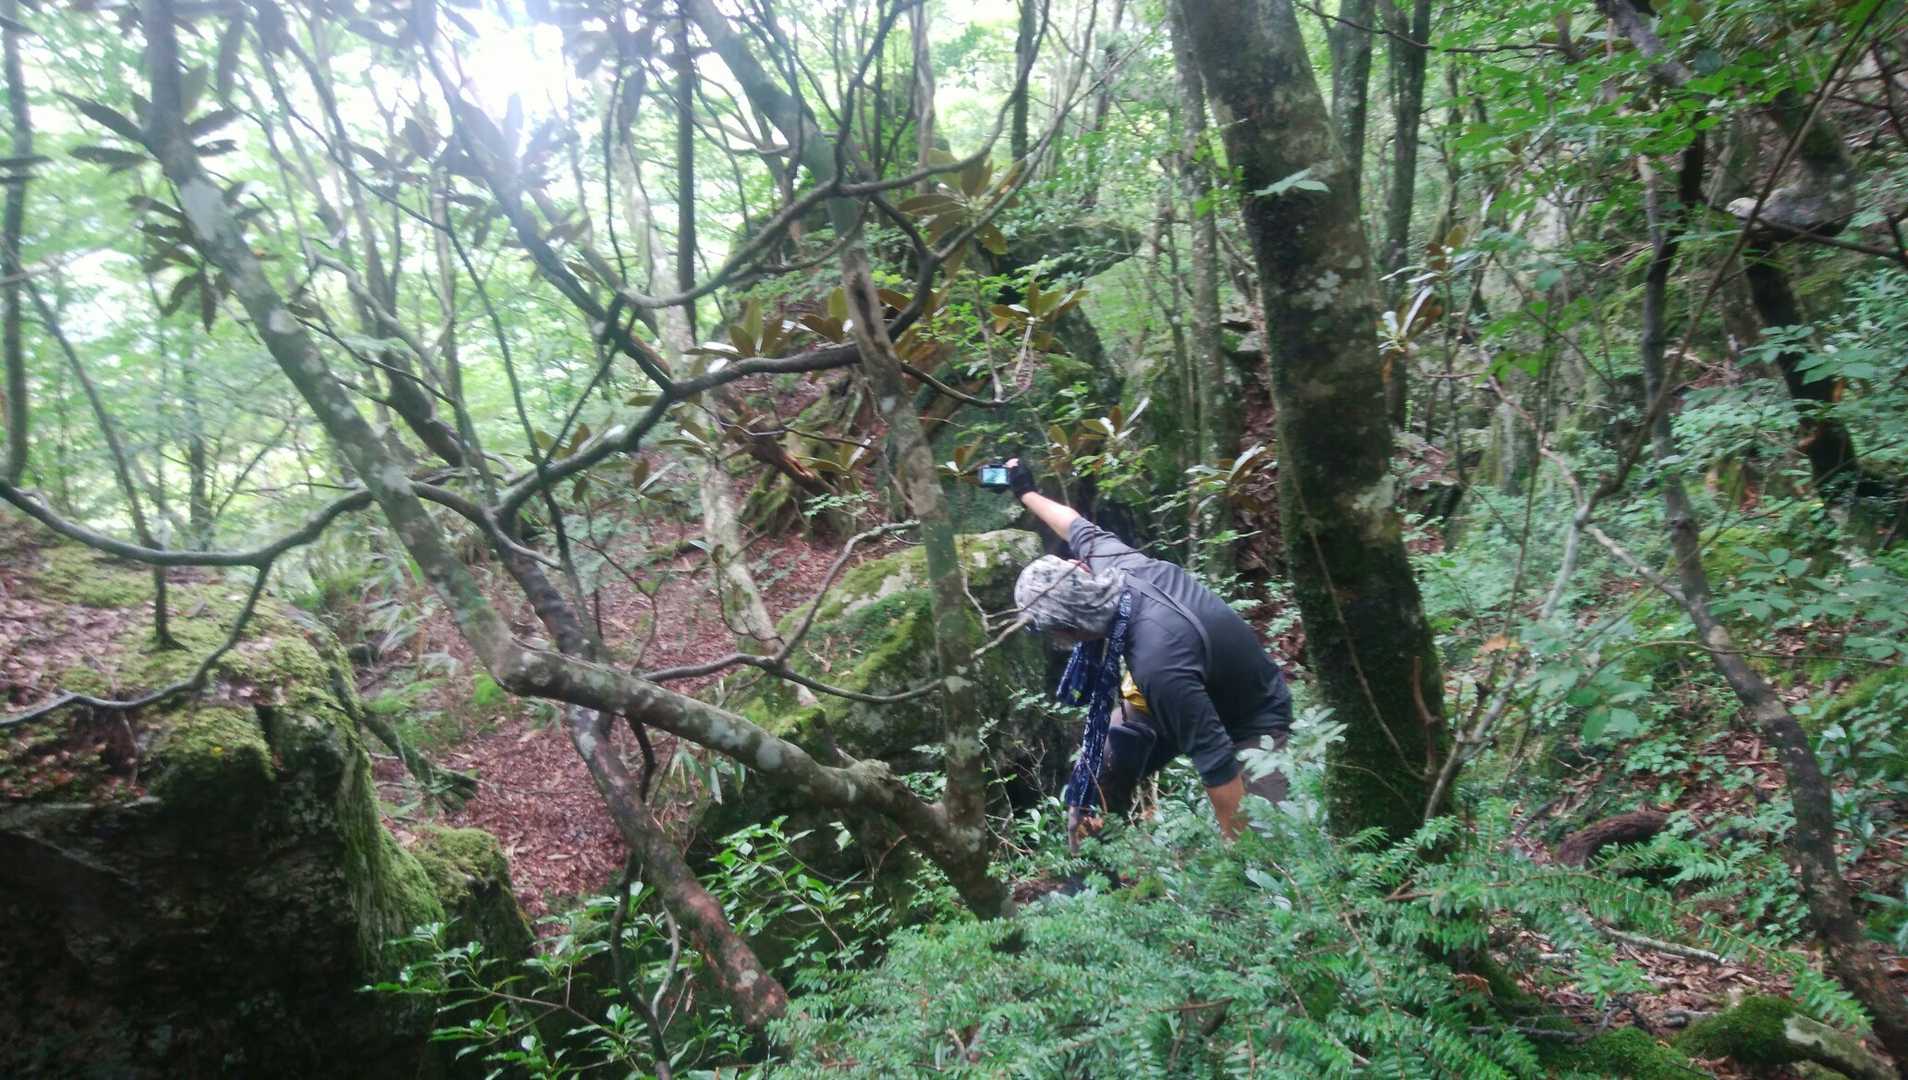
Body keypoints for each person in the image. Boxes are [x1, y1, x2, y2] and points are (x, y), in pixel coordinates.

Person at [1003, 458, 1293, 842]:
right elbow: (1071, 523)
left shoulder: (1158, 662)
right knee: (1096, 771)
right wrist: (1027, 492)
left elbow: (1216, 760)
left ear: (1072, 630)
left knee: (1264, 840)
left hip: (1252, 719)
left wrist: (1237, 853)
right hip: (1190, 681)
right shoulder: (1111, 566)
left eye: (1054, 634)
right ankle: (1103, 856)